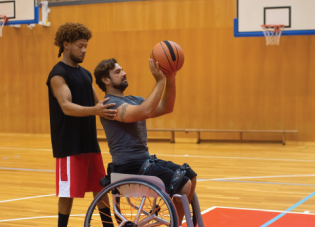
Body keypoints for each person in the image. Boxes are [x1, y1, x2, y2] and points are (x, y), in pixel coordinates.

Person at [94, 58, 197, 225]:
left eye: (122, 69)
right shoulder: (109, 105)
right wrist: (159, 81)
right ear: (106, 80)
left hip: (144, 161)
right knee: (183, 185)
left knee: (190, 177)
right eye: (118, 71)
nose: (124, 73)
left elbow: (166, 107)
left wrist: (170, 79)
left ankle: (175, 223)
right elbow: (145, 111)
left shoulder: (134, 100)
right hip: (127, 166)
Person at [46, 23, 117, 227]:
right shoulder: (58, 74)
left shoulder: (85, 74)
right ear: (66, 44)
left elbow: (98, 104)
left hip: (89, 142)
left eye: (86, 45)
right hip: (69, 144)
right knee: (68, 193)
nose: (84, 50)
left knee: (101, 187)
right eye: (80, 45)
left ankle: (108, 225)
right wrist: (96, 110)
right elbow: (67, 107)